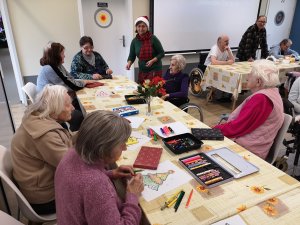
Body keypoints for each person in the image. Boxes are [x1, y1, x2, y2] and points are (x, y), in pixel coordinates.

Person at [55, 110, 144, 225]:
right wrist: (132, 196)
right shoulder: (96, 185)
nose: (125, 148)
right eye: (122, 144)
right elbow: (91, 184)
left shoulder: (73, 152)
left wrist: (111, 173)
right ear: (104, 147)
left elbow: (83, 179)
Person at [11, 85, 74, 214]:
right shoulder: (46, 135)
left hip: (37, 186)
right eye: (68, 105)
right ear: (54, 110)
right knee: (100, 186)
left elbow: (66, 141)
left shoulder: (38, 118)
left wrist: (88, 133)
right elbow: (72, 166)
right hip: (45, 198)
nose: (72, 108)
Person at [214, 60, 284, 159]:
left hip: (247, 152)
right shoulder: (273, 93)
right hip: (256, 146)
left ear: (258, 81)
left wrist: (214, 129)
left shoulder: (261, 99)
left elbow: (237, 127)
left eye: (250, 74)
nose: (247, 78)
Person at [126, 16, 165, 84]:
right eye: (139, 26)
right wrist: (129, 63)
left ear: (147, 27)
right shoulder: (134, 41)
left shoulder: (153, 38)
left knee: (153, 92)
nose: (141, 28)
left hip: (155, 70)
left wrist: (152, 61)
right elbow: (131, 56)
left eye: (143, 26)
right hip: (142, 71)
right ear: (136, 27)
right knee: (142, 91)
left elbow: (162, 53)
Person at [204, 35, 235, 101]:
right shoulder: (215, 48)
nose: (227, 43)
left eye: (228, 41)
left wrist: (229, 51)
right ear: (219, 42)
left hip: (221, 67)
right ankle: (215, 92)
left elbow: (233, 60)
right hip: (210, 68)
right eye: (226, 41)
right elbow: (213, 62)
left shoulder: (227, 48)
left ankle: (227, 92)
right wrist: (227, 62)